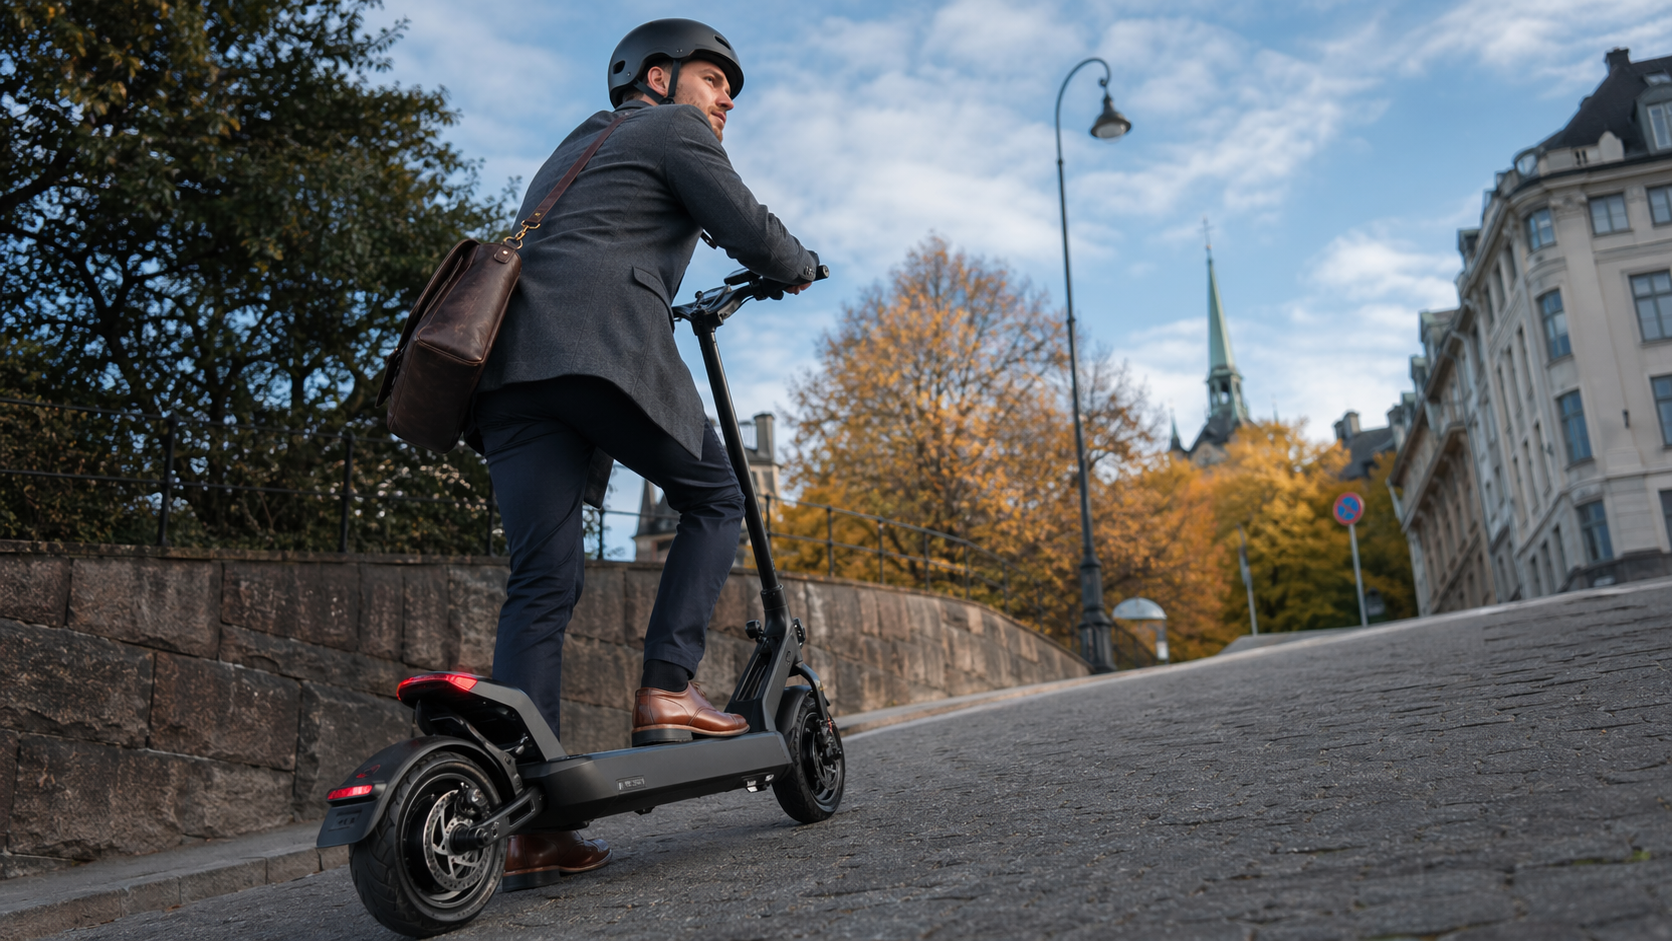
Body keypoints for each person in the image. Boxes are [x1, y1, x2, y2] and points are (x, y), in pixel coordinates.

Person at [468, 18, 820, 891]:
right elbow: (751, 230)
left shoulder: (572, 150)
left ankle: (531, 826)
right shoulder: (671, 130)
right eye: (714, 79)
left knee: (542, 582)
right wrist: (799, 263)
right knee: (718, 497)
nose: (726, 97)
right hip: (600, 350)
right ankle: (668, 686)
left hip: (509, 373)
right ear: (658, 78)